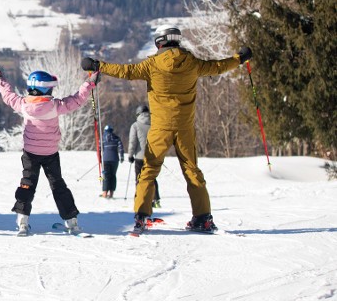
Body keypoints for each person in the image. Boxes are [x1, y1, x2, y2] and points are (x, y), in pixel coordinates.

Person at [81, 25, 251, 234]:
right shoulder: (192, 63)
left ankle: (142, 216)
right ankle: (203, 217)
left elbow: (126, 71)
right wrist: (239, 58)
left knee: (149, 170)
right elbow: (217, 66)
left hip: (160, 127)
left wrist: (98, 65)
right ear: (177, 41)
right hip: (184, 127)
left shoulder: (152, 64)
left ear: (159, 42)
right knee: (192, 171)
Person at [0, 66, 100, 236]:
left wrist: (0, 79)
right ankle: (71, 221)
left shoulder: (22, 105)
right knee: (58, 186)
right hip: (51, 154)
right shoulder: (55, 106)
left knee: (27, 184)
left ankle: (22, 220)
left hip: (30, 154)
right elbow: (77, 99)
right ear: (45, 88)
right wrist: (90, 83)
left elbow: (8, 96)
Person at [128, 105, 160, 208]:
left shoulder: (135, 125)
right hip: (152, 156)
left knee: (139, 179)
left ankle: (140, 200)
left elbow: (133, 141)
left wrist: (130, 155)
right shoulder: (153, 124)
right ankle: (156, 200)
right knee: (152, 178)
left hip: (139, 157)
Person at [100, 125, 124, 199]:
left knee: (106, 176)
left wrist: (99, 158)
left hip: (105, 159)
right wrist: (122, 157)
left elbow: (99, 148)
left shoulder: (102, 138)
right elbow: (121, 148)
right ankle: (111, 193)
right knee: (113, 175)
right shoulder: (116, 138)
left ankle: (104, 193)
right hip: (115, 159)